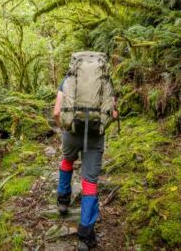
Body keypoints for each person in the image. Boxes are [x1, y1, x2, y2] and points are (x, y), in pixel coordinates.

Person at [53, 77, 118, 251]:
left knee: (67, 160)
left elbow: (56, 112)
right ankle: (85, 236)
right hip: (95, 136)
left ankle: (63, 201)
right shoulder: (105, 81)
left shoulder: (68, 80)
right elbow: (113, 114)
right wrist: (100, 128)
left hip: (71, 132)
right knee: (89, 182)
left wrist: (64, 129)